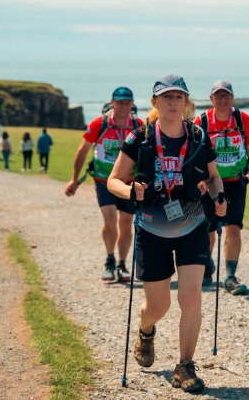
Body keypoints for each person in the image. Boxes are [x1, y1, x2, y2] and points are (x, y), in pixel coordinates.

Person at [108, 74, 226, 394]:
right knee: (158, 306)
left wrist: (219, 197)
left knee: (191, 297)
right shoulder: (141, 138)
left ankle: (185, 366)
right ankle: (146, 330)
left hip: (192, 225)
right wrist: (130, 191)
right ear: (155, 103)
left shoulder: (199, 137)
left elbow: (214, 177)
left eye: (178, 97)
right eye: (167, 97)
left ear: (185, 102)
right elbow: (113, 180)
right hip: (151, 228)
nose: (173, 103)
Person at [64, 86, 143, 282]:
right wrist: (74, 179)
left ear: (132, 104)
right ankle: (109, 260)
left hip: (129, 182)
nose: (124, 106)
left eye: (128, 102)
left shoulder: (138, 125)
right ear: (112, 102)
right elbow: (83, 150)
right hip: (104, 180)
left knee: (126, 223)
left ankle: (122, 264)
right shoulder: (100, 123)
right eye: (120, 102)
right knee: (110, 221)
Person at [194, 79, 249, 294]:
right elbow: (194, 154)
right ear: (211, 98)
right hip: (208, 184)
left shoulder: (242, 119)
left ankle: (230, 276)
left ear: (232, 97)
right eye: (218, 95)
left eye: (226, 95)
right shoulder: (201, 121)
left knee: (233, 227)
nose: (222, 99)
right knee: (208, 229)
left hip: (236, 183)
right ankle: (206, 268)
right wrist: (197, 179)